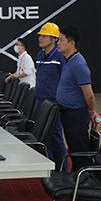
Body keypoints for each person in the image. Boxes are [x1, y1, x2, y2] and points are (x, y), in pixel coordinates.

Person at [55, 26, 97, 172]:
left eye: (61, 40)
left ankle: (84, 179)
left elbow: (89, 94)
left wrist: (91, 111)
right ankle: (76, 179)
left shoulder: (78, 64)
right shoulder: (68, 61)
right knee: (74, 150)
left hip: (76, 114)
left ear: (71, 43)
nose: (58, 43)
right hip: (68, 113)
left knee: (80, 152)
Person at [35, 22, 67, 170]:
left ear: (54, 39)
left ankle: (62, 170)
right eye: (40, 35)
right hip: (40, 102)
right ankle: (51, 166)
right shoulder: (39, 55)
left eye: (44, 36)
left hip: (54, 104)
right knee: (46, 138)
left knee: (56, 137)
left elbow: (64, 80)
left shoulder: (60, 56)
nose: (40, 38)